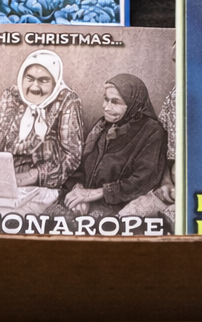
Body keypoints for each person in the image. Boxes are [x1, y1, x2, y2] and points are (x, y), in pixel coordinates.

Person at [0, 50, 83, 215]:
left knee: (2, 216)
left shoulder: (66, 102)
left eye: (43, 80)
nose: (34, 87)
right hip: (2, 184)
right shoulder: (10, 98)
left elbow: (72, 158)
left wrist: (31, 176)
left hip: (41, 187)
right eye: (29, 79)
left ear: (55, 82)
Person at [60, 74, 167, 219]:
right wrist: (78, 190)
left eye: (115, 102)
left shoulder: (152, 132)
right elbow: (81, 166)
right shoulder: (103, 125)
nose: (106, 107)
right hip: (83, 200)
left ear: (133, 104)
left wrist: (92, 195)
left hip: (118, 206)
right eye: (106, 99)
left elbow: (143, 181)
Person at [119, 85, 176, 230]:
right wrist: (166, 181)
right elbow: (161, 143)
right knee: (124, 219)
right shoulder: (175, 96)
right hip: (170, 189)